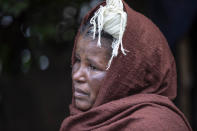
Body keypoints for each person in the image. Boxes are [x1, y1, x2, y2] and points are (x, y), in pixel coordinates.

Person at [60, 0, 192, 130]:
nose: (76, 76)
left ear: (128, 74)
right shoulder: (82, 121)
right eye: (77, 60)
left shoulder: (154, 126)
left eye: (93, 67)